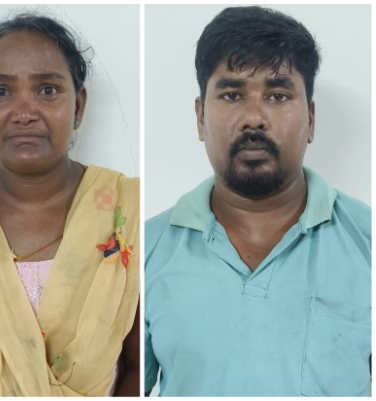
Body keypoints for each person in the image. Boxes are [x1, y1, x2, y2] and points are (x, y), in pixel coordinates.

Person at [144, 6, 370, 397]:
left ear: (311, 120)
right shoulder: (142, 250)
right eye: (231, 95)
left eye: (278, 94)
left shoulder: (366, 241)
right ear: (200, 118)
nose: (253, 118)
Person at [0, 12, 140, 396]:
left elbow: (139, 370)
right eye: (2, 91)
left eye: (47, 90)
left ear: (79, 106)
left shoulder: (128, 211)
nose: (23, 112)